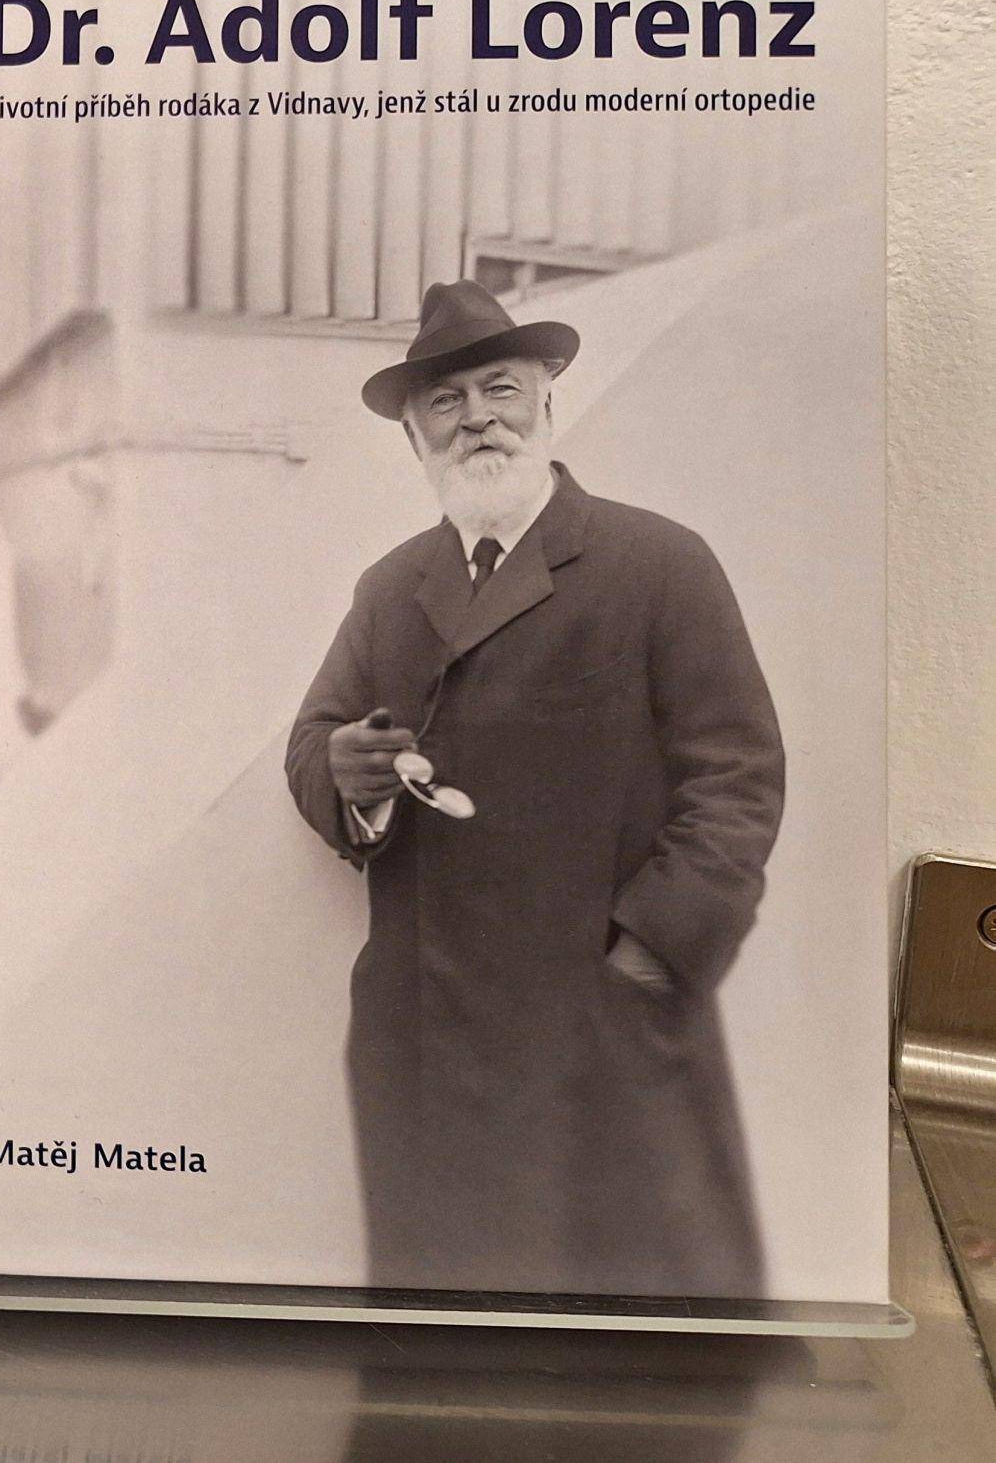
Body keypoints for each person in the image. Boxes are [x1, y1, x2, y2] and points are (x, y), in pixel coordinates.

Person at [285, 278, 784, 1299]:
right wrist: (347, 773)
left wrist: (647, 956)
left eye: (500, 389)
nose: (477, 418)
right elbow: (313, 740)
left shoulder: (658, 563)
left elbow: (737, 777)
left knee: (626, 1340)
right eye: (445, 402)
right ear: (415, 437)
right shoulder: (390, 589)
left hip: (599, 1039)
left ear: (547, 401)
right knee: (441, 1347)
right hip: (428, 1046)